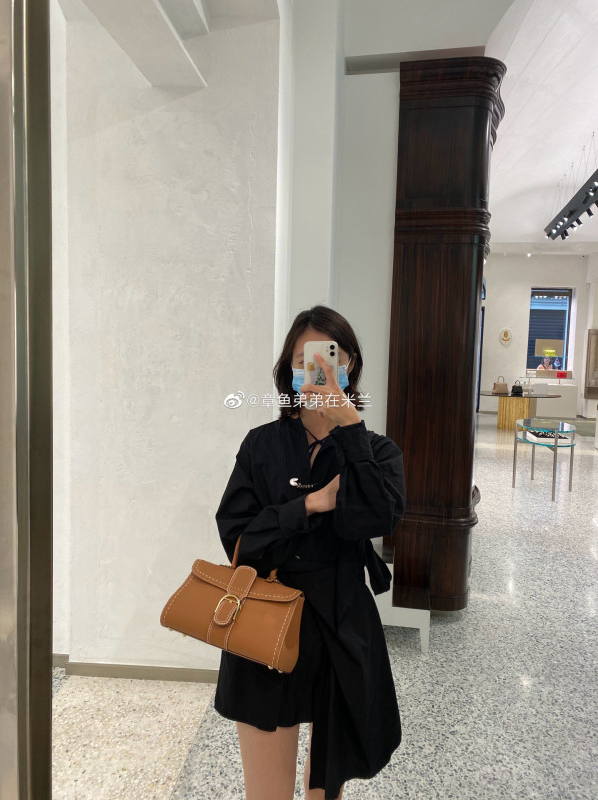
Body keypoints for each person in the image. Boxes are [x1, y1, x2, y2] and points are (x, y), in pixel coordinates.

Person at [213, 305, 406, 800]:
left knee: (326, 784)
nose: (316, 371)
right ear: (289, 370)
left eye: (328, 359)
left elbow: (379, 520)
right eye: (304, 361)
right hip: (265, 620)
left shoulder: (376, 451)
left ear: (350, 365)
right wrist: (310, 504)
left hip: (341, 625)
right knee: (267, 793)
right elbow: (240, 541)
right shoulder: (261, 445)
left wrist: (350, 427)